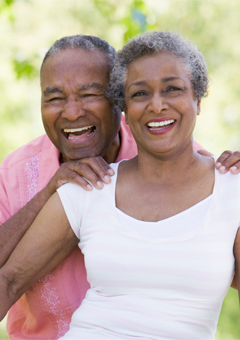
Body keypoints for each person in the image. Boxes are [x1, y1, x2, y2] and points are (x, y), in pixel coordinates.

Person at [0, 31, 240, 340]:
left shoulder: (228, 188)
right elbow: (8, 281)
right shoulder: (88, 187)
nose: (157, 105)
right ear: (125, 105)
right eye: (140, 93)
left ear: (198, 98)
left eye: (173, 89)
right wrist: (48, 192)